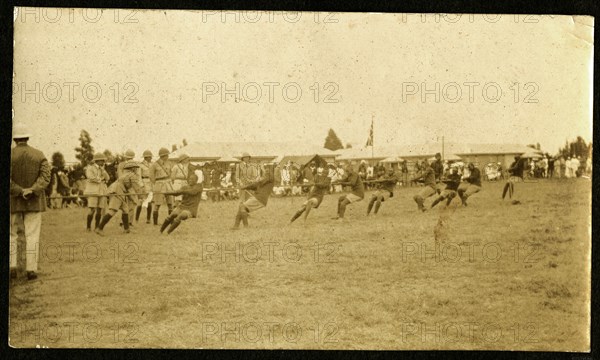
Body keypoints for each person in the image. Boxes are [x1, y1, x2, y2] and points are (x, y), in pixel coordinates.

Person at [10, 123, 51, 280]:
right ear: (27, 137)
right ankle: (31, 270)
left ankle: (12, 267)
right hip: (33, 201)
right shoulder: (39, 155)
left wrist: (19, 191)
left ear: (14, 139)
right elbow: (46, 177)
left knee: (11, 234)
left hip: (13, 200)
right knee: (32, 235)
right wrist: (32, 190)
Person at [95, 161, 143, 236]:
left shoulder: (125, 175)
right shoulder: (132, 175)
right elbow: (136, 187)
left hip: (119, 191)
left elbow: (127, 190)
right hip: (117, 192)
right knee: (112, 210)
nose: (137, 170)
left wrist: (132, 198)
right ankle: (99, 228)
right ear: (132, 169)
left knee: (125, 209)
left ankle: (126, 230)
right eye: (136, 168)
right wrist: (141, 196)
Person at [231, 163, 275, 230]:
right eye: (265, 168)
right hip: (260, 198)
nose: (266, 170)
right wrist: (245, 187)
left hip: (259, 198)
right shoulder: (266, 178)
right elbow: (256, 186)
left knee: (242, 207)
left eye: (267, 168)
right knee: (241, 208)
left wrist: (245, 187)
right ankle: (236, 226)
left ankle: (246, 227)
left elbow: (257, 183)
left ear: (271, 169)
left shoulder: (269, 176)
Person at [84, 153, 110, 231]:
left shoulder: (102, 169)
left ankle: (96, 227)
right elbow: (91, 178)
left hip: (101, 191)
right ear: (97, 161)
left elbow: (108, 178)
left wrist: (103, 172)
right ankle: (88, 227)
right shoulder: (90, 168)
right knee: (92, 209)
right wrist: (101, 179)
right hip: (93, 191)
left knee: (99, 209)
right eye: (102, 160)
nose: (103, 162)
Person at [149, 147, 174, 225]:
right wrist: (156, 184)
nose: (168, 157)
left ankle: (171, 221)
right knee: (157, 204)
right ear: (162, 156)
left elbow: (171, 174)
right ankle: (155, 223)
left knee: (170, 204)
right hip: (159, 184)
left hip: (168, 184)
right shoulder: (154, 164)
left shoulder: (169, 163)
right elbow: (151, 176)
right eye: (166, 155)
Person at [136, 150, 154, 224]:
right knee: (140, 202)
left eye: (151, 157)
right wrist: (141, 186)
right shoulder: (140, 165)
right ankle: (136, 219)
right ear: (146, 157)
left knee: (149, 202)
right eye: (149, 157)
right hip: (143, 183)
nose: (151, 158)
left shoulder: (152, 164)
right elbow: (139, 176)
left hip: (150, 184)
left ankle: (148, 219)